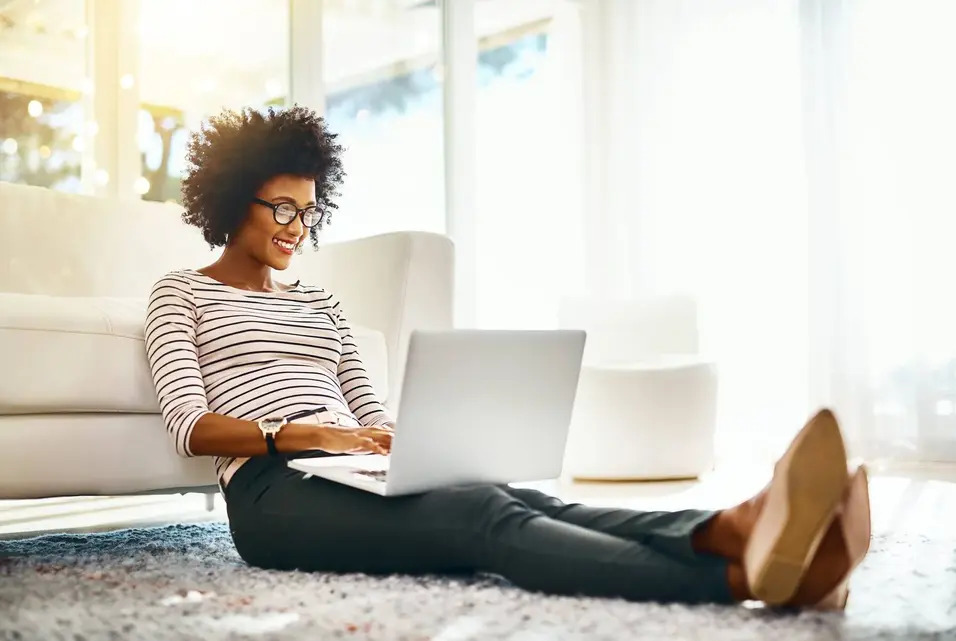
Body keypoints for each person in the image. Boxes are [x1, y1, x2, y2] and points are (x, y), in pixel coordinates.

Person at [145, 106, 871, 609]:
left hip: (351, 467)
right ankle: (742, 578)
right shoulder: (180, 294)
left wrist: (415, 442)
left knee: (523, 498)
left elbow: (370, 414)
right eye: (281, 209)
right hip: (272, 494)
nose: (296, 228)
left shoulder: (322, 304)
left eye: (307, 213)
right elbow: (188, 424)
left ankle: (733, 527)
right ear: (236, 200)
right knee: (481, 518)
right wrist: (298, 435)